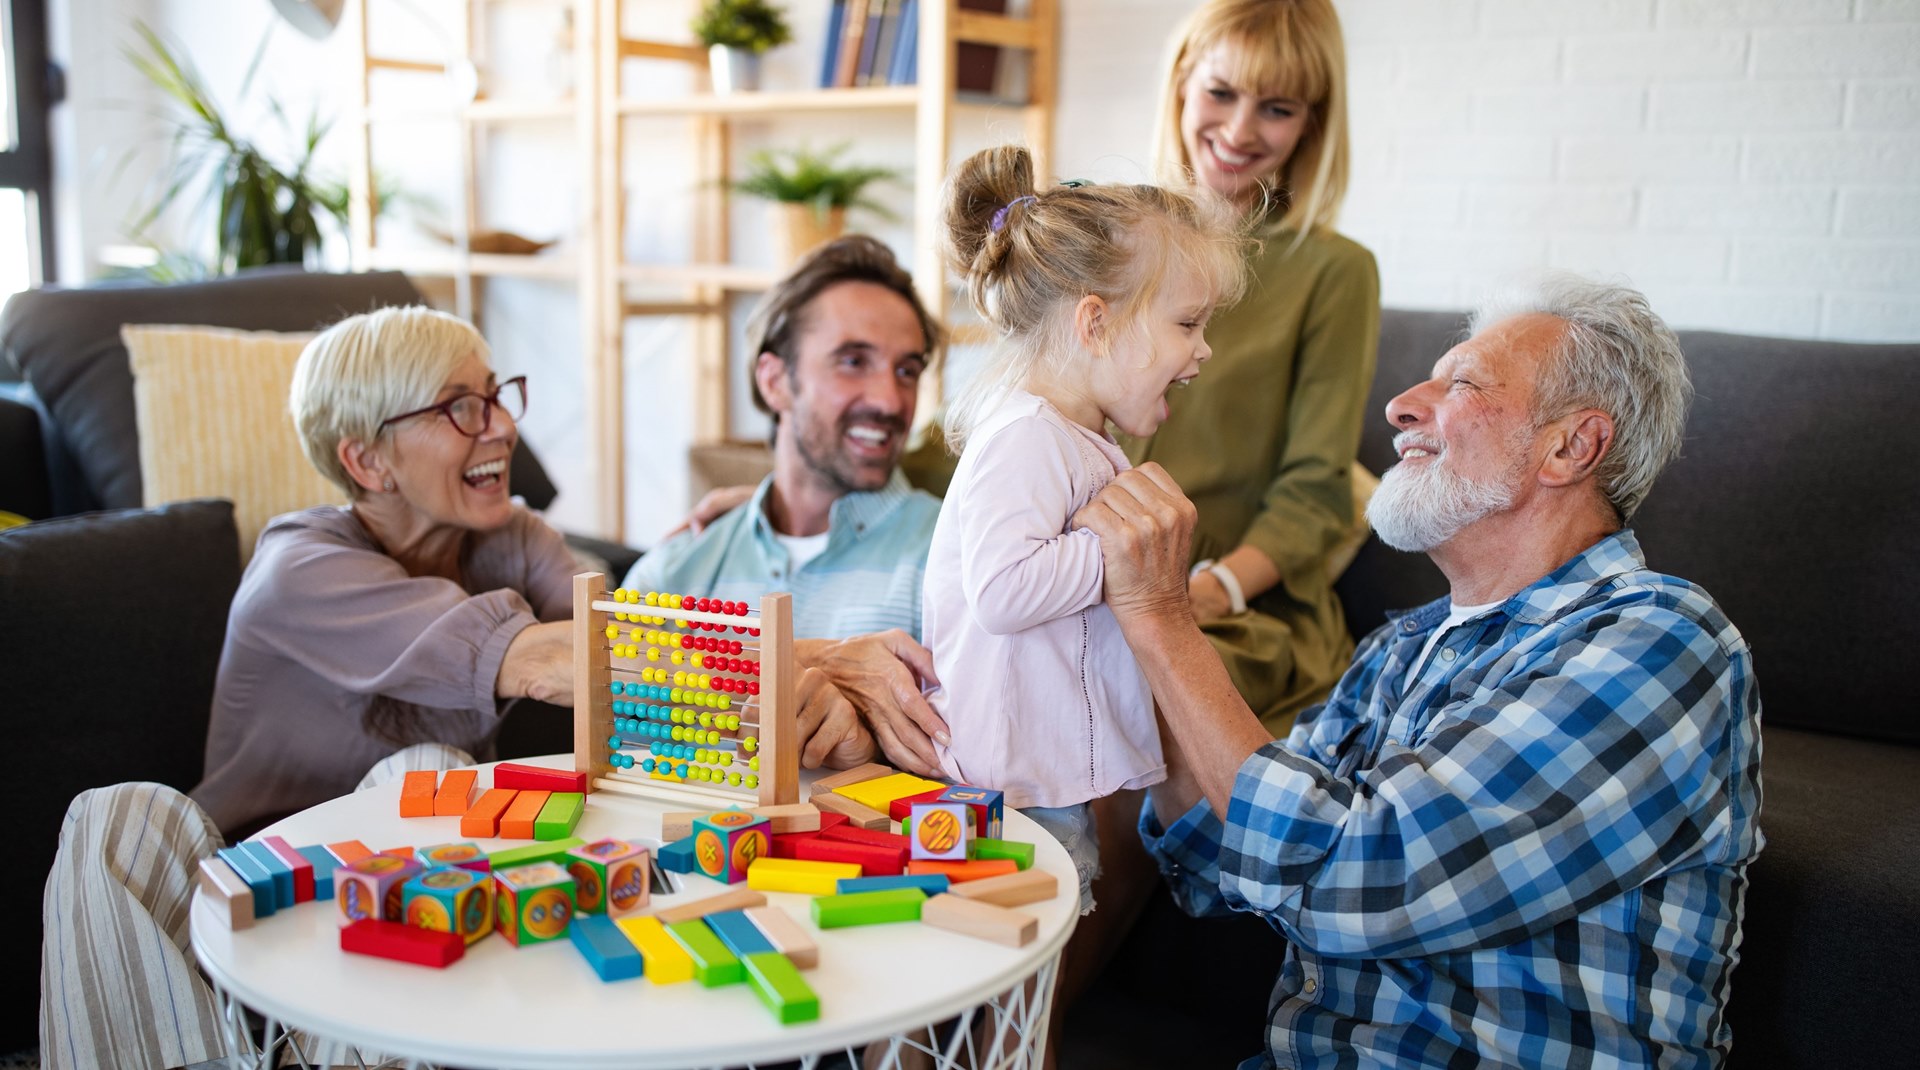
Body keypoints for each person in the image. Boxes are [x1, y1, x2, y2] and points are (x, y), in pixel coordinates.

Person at [1075, 274, 1763, 1068]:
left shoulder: (1662, 645)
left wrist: (1165, 621)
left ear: (1571, 446)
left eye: (1461, 382)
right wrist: (1123, 633)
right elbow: (1216, 862)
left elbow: (1350, 880)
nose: (1401, 403)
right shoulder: (1402, 647)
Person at [921, 144, 1247, 915]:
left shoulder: (1073, 438)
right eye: (1188, 323)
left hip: (1037, 778)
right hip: (1004, 786)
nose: (1203, 350)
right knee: (1013, 969)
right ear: (1096, 323)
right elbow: (1002, 590)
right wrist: (1121, 552)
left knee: (1033, 969)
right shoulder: (1027, 435)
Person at [193, 306, 577, 837]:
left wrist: (725, 523)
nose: (505, 427)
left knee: (436, 775)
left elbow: (614, 637)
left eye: (494, 397)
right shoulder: (299, 572)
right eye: (460, 407)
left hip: (419, 880)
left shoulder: (516, 536)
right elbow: (551, 658)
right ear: (368, 462)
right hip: (254, 869)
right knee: (120, 810)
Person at [624, 235, 955, 776]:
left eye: (907, 370)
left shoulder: (952, 556)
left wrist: (867, 747)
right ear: (775, 381)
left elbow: (993, 782)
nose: (890, 400)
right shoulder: (679, 565)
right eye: (853, 361)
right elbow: (608, 735)